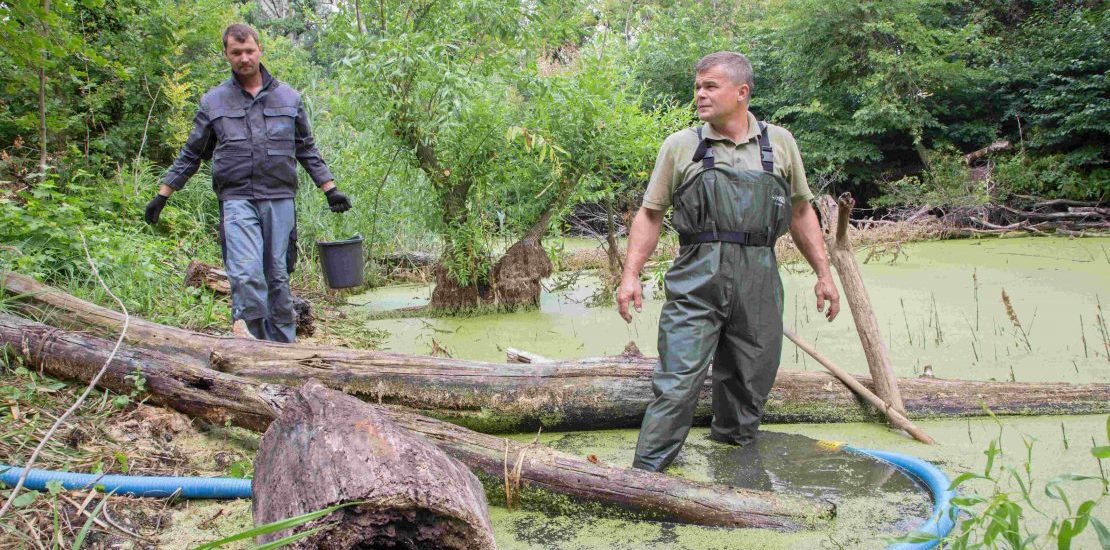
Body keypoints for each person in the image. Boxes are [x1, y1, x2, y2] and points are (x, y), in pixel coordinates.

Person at [616, 52, 840, 472]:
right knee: (677, 383)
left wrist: (824, 275)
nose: (700, 94)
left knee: (749, 383)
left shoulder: (780, 143)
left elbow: (800, 212)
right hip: (697, 279)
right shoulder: (681, 146)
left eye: (710, 86)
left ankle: (735, 479)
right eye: (697, 86)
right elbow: (650, 214)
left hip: (759, 277)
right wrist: (631, 275)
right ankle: (645, 478)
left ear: (742, 92)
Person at [144, 23, 351, 343]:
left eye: (249, 51)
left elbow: (305, 148)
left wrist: (330, 188)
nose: (244, 58)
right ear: (226, 54)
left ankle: (283, 347)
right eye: (236, 52)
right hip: (236, 198)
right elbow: (192, 153)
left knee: (277, 277)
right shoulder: (214, 102)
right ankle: (258, 343)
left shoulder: (289, 98)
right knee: (245, 275)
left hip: (279, 197)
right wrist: (163, 194)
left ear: (260, 51)